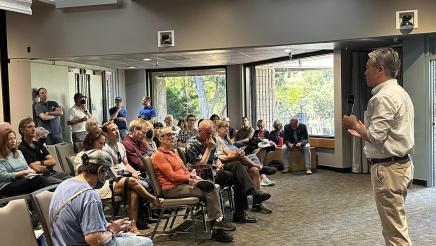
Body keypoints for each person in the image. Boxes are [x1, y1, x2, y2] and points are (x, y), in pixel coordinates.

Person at [343, 48, 414, 246]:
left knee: (395, 233)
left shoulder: (383, 97)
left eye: (367, 68)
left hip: (388, 171)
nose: (364, 72)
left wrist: (355, 125)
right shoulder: (400, 93)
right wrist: (364, 131)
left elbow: (376, 137)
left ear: (380, 69)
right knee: (397, 224)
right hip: (401, 165)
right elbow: (387, 132)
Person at [49, 149, 154, 246]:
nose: (107, 179)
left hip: (64, 242)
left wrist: (110, 226)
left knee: (130, 236)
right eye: (106, 174)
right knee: (146, 242)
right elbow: (94, 240)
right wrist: (114, 230)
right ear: (100, 170)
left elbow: (79, 223)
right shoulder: (89, 195)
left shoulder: (65, 184)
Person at [153, 127, 235, 242]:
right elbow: (172, 176)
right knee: (209, 189)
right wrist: (189, 178)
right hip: (171, 189)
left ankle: (217, 225)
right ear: (160, 138)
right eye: (168, 135)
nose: (172, 137)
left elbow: (185, 169)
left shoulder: (173, 152)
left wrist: (194, 176)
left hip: (183, 183)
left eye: (172, 135)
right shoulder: (159, 156)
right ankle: (218, 225)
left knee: (211, 187)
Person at [185, 120, 271, 223]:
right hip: (202, 176)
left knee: (237, 167)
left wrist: (219, 165)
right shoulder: (191, 144)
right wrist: (208, 148)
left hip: (214, 171)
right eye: (208, 133)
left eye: (212, 133)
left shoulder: (210, 139)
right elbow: (200, 166)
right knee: (238, 176)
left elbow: (216, 158)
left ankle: (251, 193)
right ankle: (243, 209)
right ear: (199, 131)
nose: (210, 135)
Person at [75, 128, 158, 234]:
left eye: (103, 143)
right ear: (91, 141)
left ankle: (133, 226)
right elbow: (82, 175)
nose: (102, 146)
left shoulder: (102, 154)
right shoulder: (82, 156)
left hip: (109, 181)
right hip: (94, 187)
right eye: (100, 143)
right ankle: (153, 200)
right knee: (132, 182)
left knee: (133, 192)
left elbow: (112, 174)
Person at [0, 129, 52, 197]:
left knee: (41, 179)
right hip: (7, 186)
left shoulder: (19, 153)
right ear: (3, 141)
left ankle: (45, 202)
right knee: (39, 181)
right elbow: (3, 176)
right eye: (10, 139)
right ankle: (53, 201)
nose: (13, 141)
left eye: (14, 138)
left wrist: (31, 173)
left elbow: (26, 167)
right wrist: (24, 172)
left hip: (23, 180)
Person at [18, 117, 70, 184]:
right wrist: (47, 165)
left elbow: (53, 161)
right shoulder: (22, 148)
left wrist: (40, 162)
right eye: (29, 127)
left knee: (72, 179)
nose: (33, 129)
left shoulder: (39, 144)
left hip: (53, 173)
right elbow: (35, 168)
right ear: (22, 130)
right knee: (64, 184)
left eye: (34, 126)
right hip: (42, 177)